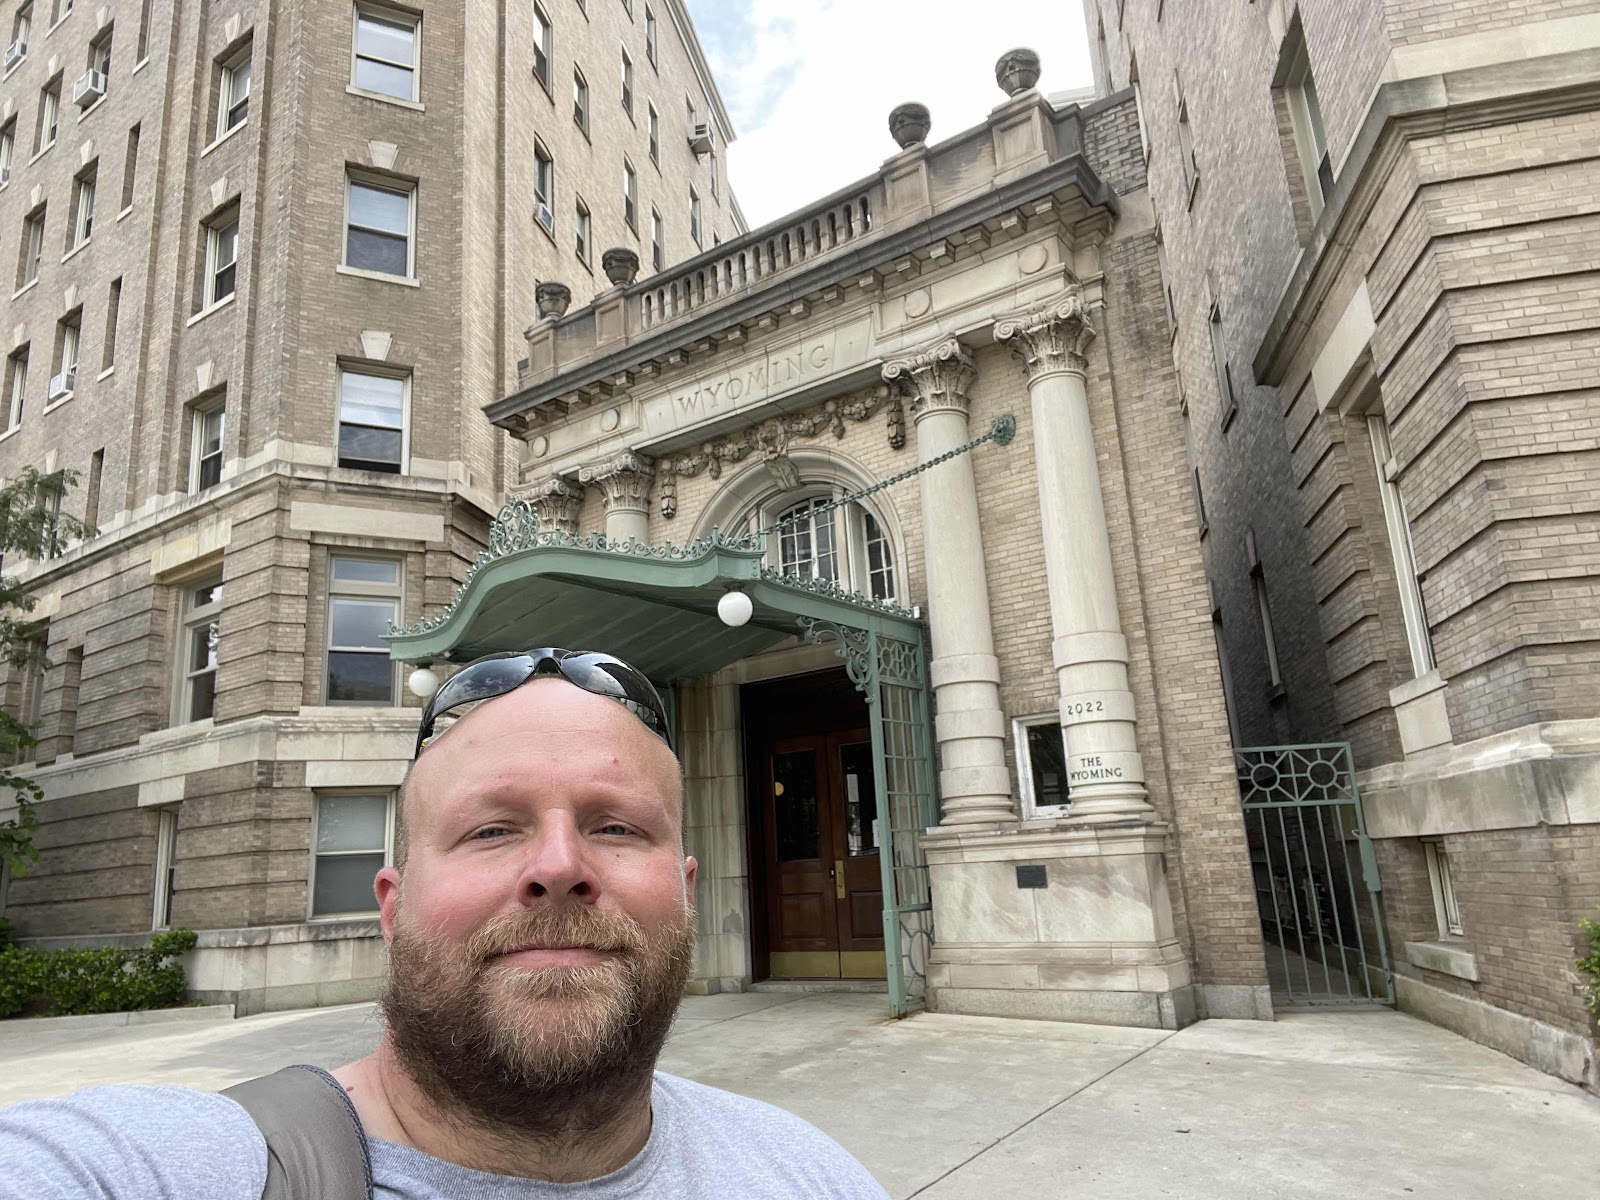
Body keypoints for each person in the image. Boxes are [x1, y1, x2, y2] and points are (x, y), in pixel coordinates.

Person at [0, 649, 890, 1199]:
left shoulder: (807, 1172)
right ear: (393, 908)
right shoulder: (173, 1165)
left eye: (617, 827)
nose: (559, 866)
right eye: (490, 830)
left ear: (685, 893)